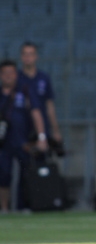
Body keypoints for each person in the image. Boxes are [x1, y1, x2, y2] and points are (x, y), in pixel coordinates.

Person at [0, 60, 47, 213]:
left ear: (16, 74)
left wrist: (41, 137)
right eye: (5, 73)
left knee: (25, 175)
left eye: (11, 73)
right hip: (3, 143)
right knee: (3, 175)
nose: (8, 76)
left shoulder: (24, 91)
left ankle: (23, 206)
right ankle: (4, 208)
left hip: (23, 142)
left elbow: (36, 113)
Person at [17, 42, 64, 156]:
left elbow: (49, 105)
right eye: (25, 54)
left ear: (36, 56)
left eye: (31, 54)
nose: (28, 57)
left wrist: (55, 130)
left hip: (42, 129)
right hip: (21, 129)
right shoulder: (16, 78)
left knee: (41, 163)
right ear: (21, 56)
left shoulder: (43, 78)